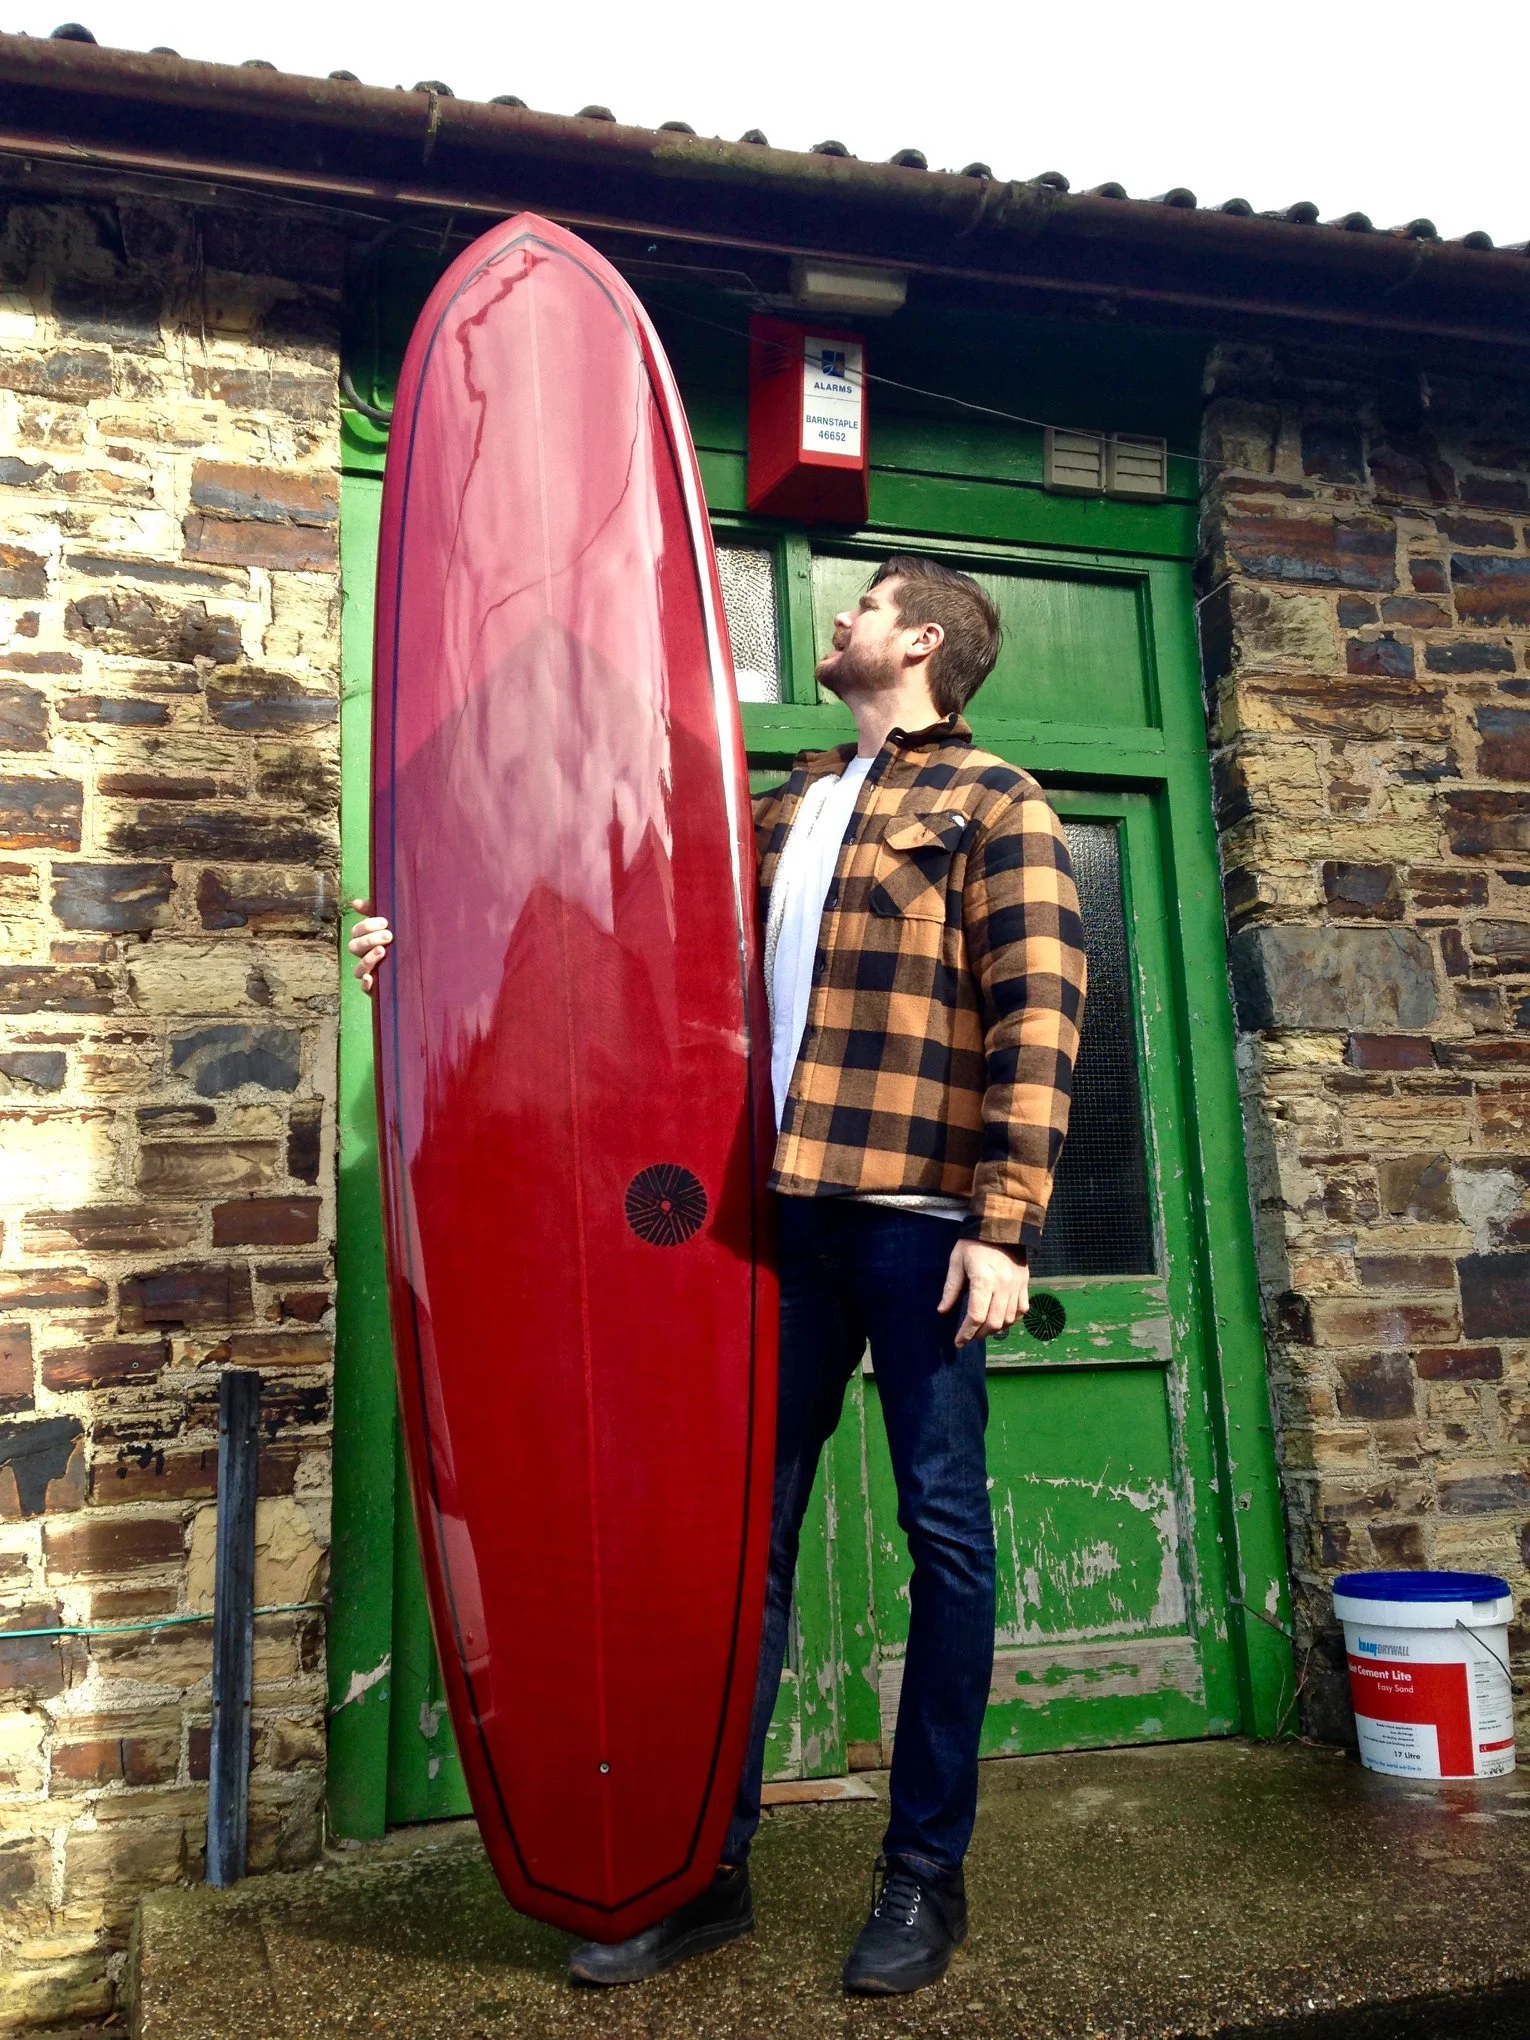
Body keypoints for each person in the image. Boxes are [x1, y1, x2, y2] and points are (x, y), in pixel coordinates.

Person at [349, 555, 1086, 1997]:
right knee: (738, 1549)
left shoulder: (994, 801)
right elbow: (618, 962)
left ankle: (923, 1879)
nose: (839, 620)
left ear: (921, 639)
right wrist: (420, 960)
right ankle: (708, 1868)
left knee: (946, 1542)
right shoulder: (788, 806)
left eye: (863, 603)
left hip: (924, 1226)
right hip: (777, 1227)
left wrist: (1004, 1227)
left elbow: (1041, 1015)